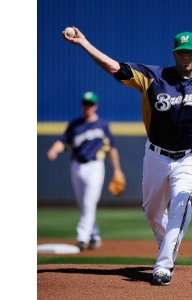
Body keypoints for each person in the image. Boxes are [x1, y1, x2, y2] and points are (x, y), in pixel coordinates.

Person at [62, 28, 192, 284]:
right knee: (152, 212)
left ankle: (163, 266)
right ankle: (169, 243)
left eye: (190, 52)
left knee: (179, 205)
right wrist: (85, 43)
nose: (185, 57)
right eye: (181, 52)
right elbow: (114, 67)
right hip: (156, 155)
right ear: (174, 54)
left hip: (188, 159)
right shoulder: (153, 77)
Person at [47, 91, 126, 251]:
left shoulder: (102, 125)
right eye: (85, 103)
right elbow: (63, 141)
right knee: (83, 205)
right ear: (82, 105)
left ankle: (82, 238)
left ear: (95, 106)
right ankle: (94, 235)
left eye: (90, 104)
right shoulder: (75, 124)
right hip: (76, 166)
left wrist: (117, 170)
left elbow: (112, 148)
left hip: (95, 167)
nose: (87, 107)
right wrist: (54, 150)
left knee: (89, 203)